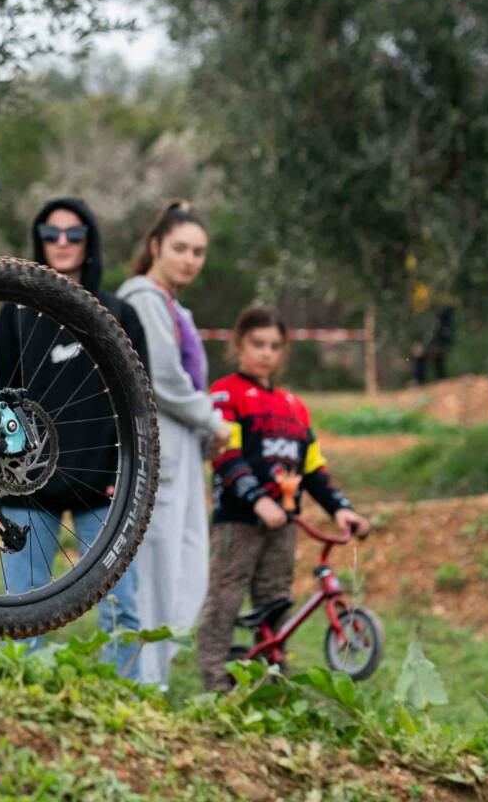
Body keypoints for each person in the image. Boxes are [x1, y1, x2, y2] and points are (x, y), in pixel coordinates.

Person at [0, 198, 150, 675]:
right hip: (25, 488)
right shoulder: (15, 314)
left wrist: (128, 474)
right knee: (21, 615)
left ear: (89, 242)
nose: (61, 242)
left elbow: (141, 407)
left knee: (121, 613)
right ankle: (22, 700)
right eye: (51, 233)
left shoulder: (119, 314)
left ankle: (125, 700)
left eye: (73, 234)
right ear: (39, 240)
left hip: (103, 489)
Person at [195, 306, 371, 691]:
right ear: (238, 345)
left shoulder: (294, 407)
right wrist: (257, 499)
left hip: (285, 524)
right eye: (257, 344)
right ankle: (215, 684)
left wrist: (342, 510)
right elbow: (225, 454)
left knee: (275, 600)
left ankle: (272, 681)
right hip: (239, 520)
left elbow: (314, 469)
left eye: (275, 346)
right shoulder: (227, 393)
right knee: (226, 598)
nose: (266, 353)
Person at [114, 199, 226, 689]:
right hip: (156, 452)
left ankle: (154, 678)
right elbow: (164, 379)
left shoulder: (174, 306)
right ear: (155, 245)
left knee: (184, 567)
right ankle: (141, 681)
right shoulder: (142, 298)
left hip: (182, 452)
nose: (190, 260)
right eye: (180, 248)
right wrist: (213, 421)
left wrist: (204, 433)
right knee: (156, 572)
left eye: (198, 251)